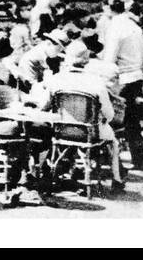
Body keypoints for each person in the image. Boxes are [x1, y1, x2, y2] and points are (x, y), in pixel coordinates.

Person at [33, 40, 122, 190]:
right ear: (86, 61)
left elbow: (43, 107)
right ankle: (116, 178)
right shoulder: (96, 82)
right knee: (113, 141)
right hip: (90, 133)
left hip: (60, 131)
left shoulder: (56, 80)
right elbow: (109, 114)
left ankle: (48, 172)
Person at [102, 0, 143, 171]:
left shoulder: (115, 27)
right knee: (132, 121)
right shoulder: (135, 27)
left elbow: (109, 60)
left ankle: (113, 162)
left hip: (121, 80)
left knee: (108, 120)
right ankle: (140, 160)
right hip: (135, 78)